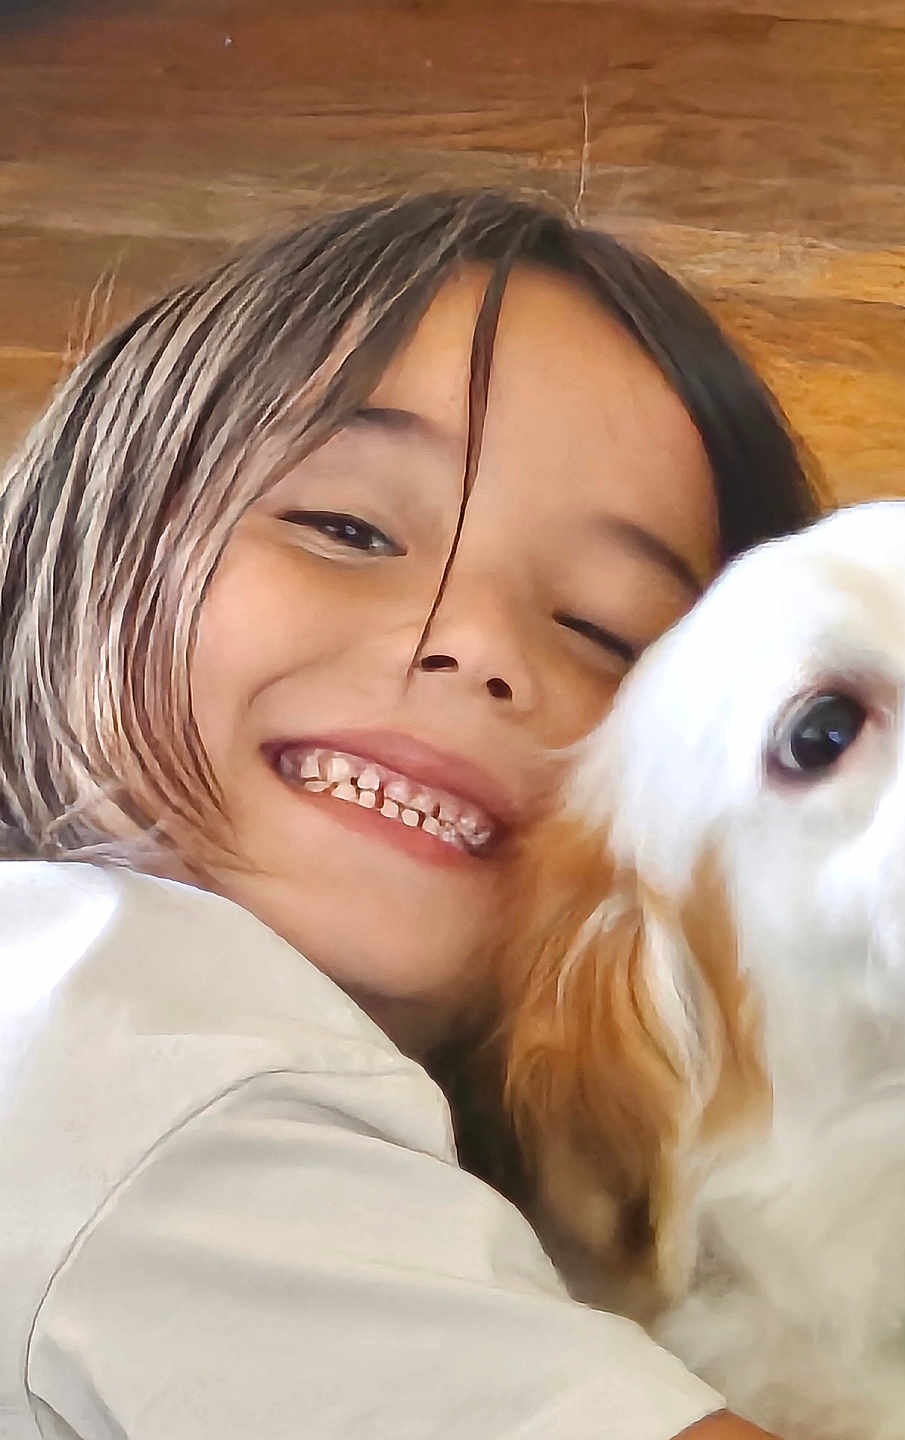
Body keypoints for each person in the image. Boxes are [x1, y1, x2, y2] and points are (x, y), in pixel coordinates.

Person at [0, 191, 819, 1439]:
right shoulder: (137, 1029)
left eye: (608, 633)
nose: (479, 645)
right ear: (84, 537)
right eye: (346, 527)